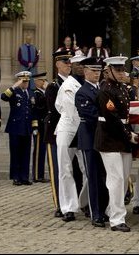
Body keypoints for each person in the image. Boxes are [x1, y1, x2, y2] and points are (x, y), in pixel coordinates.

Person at [94, 56, 138, 232]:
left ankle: (112, 209)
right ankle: (117, 219)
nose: (121, 73)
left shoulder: (123, 88)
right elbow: (112, 118)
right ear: (108, 71)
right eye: (118, 70)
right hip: (109, 138)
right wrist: (129, 135)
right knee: (116, 179)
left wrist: (129, 134)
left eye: (122, 70)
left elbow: (126, 115)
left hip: (122, 138)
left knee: (124, 176)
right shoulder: (105, 90)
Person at [75, 57, 109, 227]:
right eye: (93, 71)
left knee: (103, 177)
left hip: (103, 139)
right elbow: (91, 116)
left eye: (99, 71)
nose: (97, 74)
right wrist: (110, 118)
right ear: (85, 71)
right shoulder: (82, 92)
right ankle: (95, 213)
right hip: (89, 139)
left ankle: (103, 210)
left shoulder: (102, 89)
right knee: (94, 178)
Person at [54, 53, 89, 222]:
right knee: (65, 169)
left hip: (84, 129)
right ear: (72, 66)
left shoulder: (90, 84)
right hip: (68, 129)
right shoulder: (68, 84)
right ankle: (68, 207)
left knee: (89, 169)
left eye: (84, 64)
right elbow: (69, 110)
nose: (81, 67)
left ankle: (83, 201)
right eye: (78, 64)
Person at [44, 50, 74, 218]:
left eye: (69, 62)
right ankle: (59, 204)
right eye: (65, 62)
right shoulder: (53, 86)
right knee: (58, 169)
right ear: (57, 65)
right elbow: (55, 111)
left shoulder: (74, 83)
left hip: (71, 132)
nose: (68, 65)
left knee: (71, 169)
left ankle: (71, 201)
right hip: (56, 132)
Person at [1, 71, 36, 186]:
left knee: (26, 153)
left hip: (26, 127)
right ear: (19, 81)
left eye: (27, 81)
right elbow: (4, 97)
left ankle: (24, 176)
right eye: (23, 81)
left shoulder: (31, 93)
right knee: (15, 153)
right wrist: (14, 86)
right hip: (15, 127)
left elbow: (33, 111)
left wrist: (34, 126)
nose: (25, 83)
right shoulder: (14, 92)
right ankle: (16, 177)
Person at [31, 72, 49, 183]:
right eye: (42, 80)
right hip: (39, 125)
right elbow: (36, 109)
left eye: (44, 80)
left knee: (42, 151)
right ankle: (37, 175)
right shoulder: (35, 94)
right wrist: (35, 127)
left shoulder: (43, 92)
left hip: (45, 125)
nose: (44, 82)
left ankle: (41, 174)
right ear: (36, 81)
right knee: (38, 151)